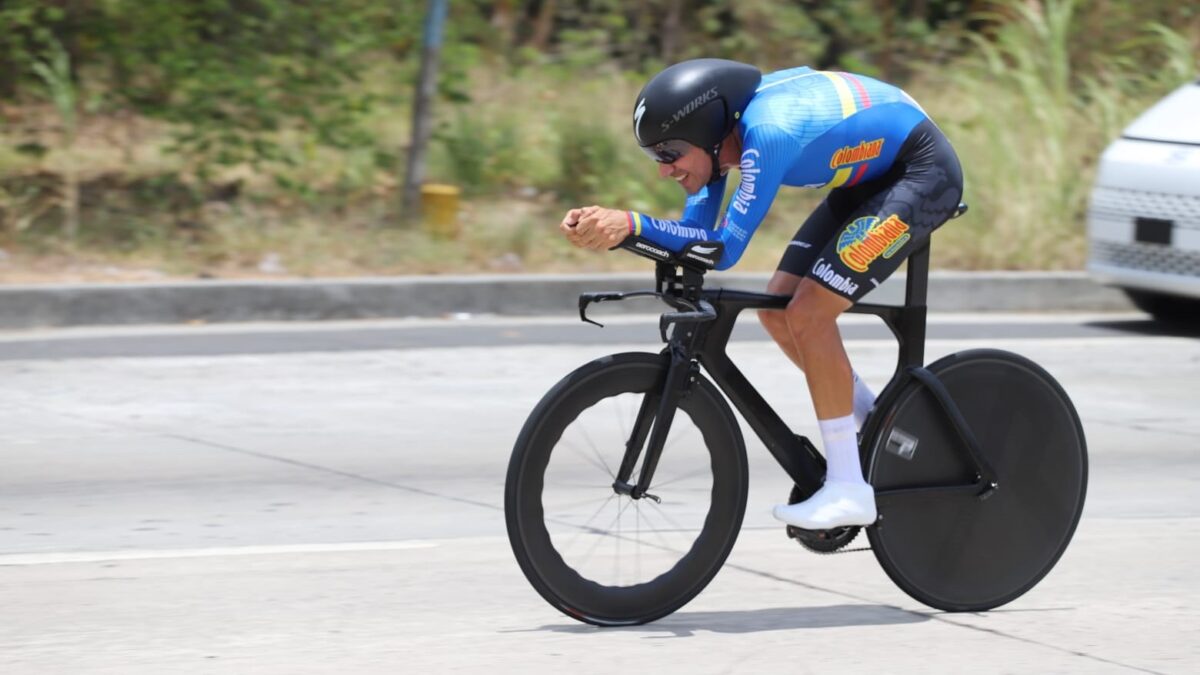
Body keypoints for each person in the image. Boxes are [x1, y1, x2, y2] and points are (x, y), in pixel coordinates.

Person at [558, 58, 964, 530]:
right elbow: (693, 233)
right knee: (778, 312)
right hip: (867, 182)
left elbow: (724, 250)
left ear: (709, 132)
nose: (664, 170)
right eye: (656, 156)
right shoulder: (713, 144)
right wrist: (622, 232)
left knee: (811, 314)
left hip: (922, 174)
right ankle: (879, 424)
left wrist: (630, 225)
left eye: (669, 153)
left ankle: (849, 488)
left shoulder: (768, 134)